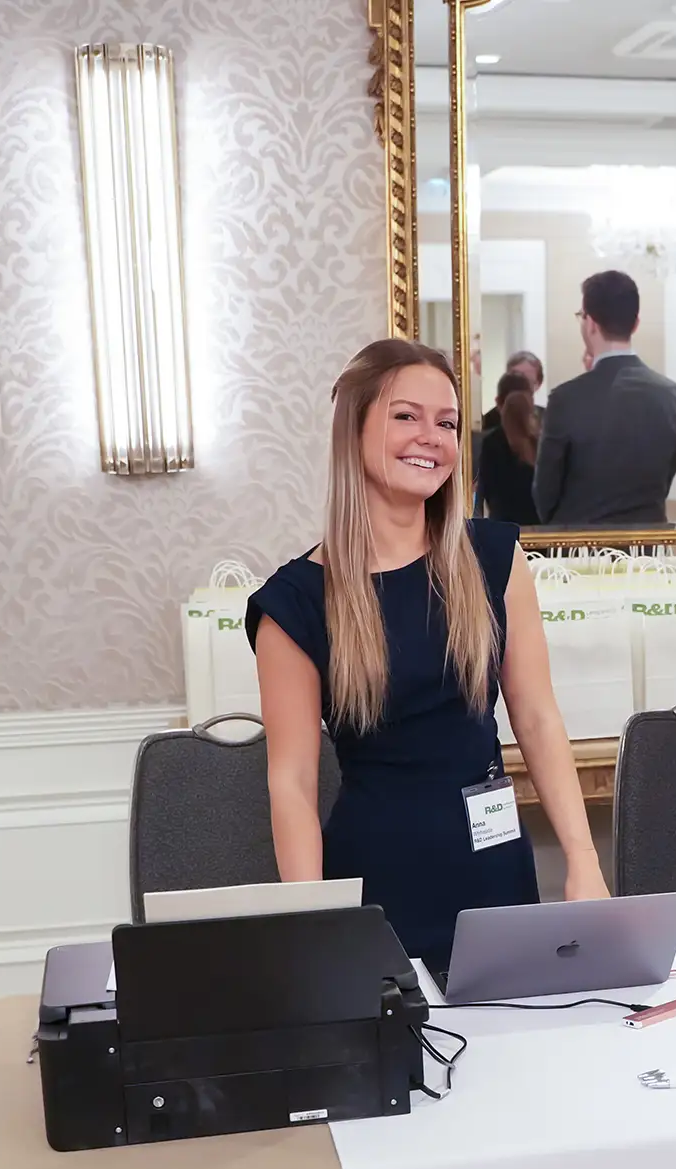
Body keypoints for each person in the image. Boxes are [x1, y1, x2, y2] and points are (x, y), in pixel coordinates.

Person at [248, 339, 606, 972]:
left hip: (496, 875)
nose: (431, 438)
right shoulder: (295, 602)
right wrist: (312, 925)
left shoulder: (495, 559)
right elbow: (294, 783)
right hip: (376, 891)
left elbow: (536, 717)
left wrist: (583, 860)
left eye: (446, 423)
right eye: (406, 416)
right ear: (353, 429)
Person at [533, 270, 676, 527]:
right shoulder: (669, 393)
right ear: (635, 324)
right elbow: (667, 471)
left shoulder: (566, 398)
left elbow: (545, 494)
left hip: (580, 542)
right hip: (648, 539)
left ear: (590, 323)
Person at [476, 369, 542, 525]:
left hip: (503, 529)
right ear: (531, 401)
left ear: (499, 403)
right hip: (542, 530)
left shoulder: (491, 443)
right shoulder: (543, 440)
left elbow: (486, 493)